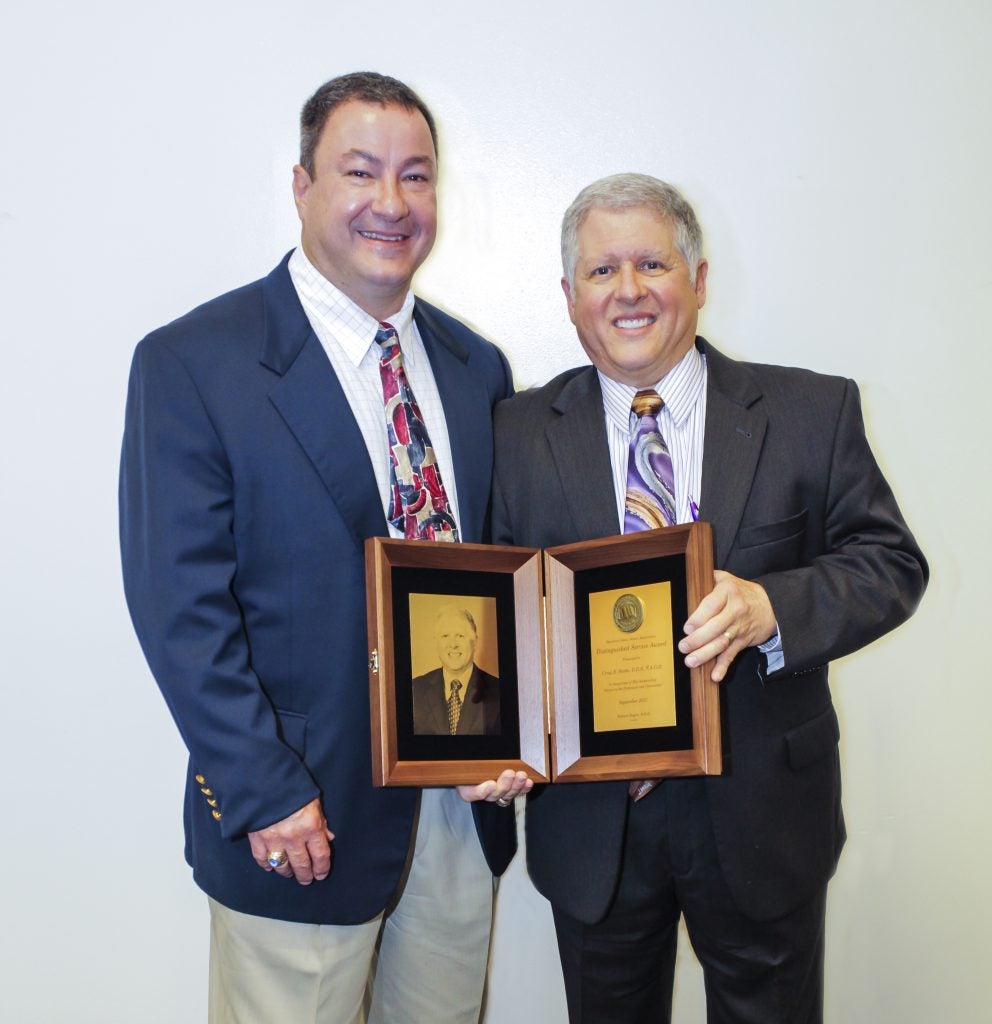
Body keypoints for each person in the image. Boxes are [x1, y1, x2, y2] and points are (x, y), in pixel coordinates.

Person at [120, 71, 531, 1024]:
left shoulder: (478, 369)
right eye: (361, 171)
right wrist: (265, 790)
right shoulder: (193, 363)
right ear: (301, 185)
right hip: (298, 818)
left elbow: (497, 574)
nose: (392, 202)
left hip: (457, 816)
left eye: (417, 176)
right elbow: (179, 610)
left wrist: (523, 733)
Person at [491, 173, 927, 1024]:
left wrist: (773, 610)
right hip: (593, 824)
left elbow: (891, 564)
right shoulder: (512, 433)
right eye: (600, 271)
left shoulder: (811, 410)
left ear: (698, 279)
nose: (628, 292)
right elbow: (493, 618)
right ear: (569, 297)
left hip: (761, 813)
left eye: (652, 263)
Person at [412, 605, 501, 736]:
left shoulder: (498, 690)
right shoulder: (415, 689)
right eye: (445, 636)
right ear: (436, 642)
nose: (453, 644)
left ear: (475, 642)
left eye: (460, 636)